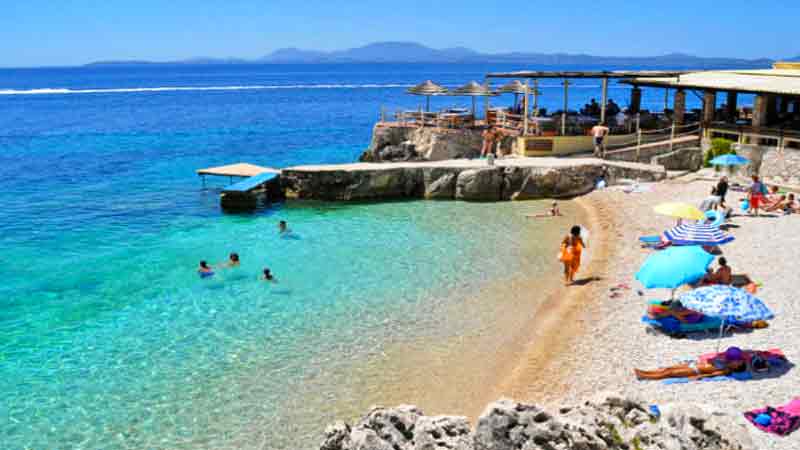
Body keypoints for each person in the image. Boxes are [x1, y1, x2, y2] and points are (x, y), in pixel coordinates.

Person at [634, 347, 747, 381]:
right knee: (667, 368)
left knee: (669, 373)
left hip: (694, 370)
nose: (736, 361)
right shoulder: (725, 361)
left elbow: (713, 375)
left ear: (737, 367)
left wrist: (698, 377)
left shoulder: (726, 370)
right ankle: (645, 372)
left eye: (738, 362)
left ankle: (645, 376)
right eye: (738, 360)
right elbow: (711, 361)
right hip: (693, 365)